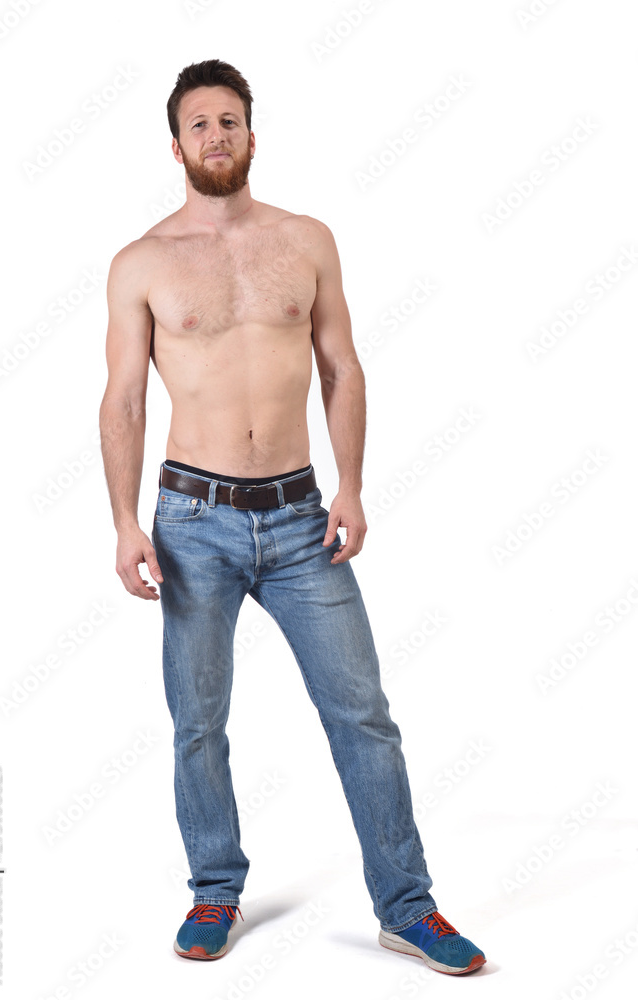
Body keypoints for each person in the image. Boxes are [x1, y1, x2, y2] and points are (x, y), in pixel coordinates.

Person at [98, 58, 486, 975]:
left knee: (362, 715)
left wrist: (350, 487)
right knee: (198, 718)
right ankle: (214, 891)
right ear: (176, 144)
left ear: (251, 135)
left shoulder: (306, 240)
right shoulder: (142, 263)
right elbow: (122, 400)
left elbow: (341, 368)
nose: (216, 136)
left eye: (229, 120)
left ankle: (406, 906)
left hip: (301, 515)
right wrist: (125, 522)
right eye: (199, 124)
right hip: (190, 517)